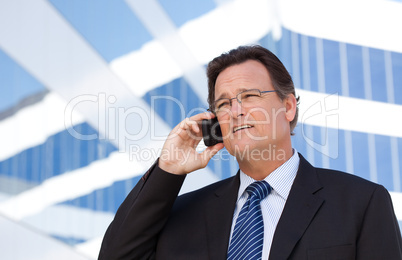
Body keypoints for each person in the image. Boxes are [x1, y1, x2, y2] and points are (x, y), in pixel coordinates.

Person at [98, 45, 402, 259]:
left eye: (249, 96)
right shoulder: (182, 216)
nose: (236, 111)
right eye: (224, 104)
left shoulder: (360, 203)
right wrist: (168, 169)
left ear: (288, 106)